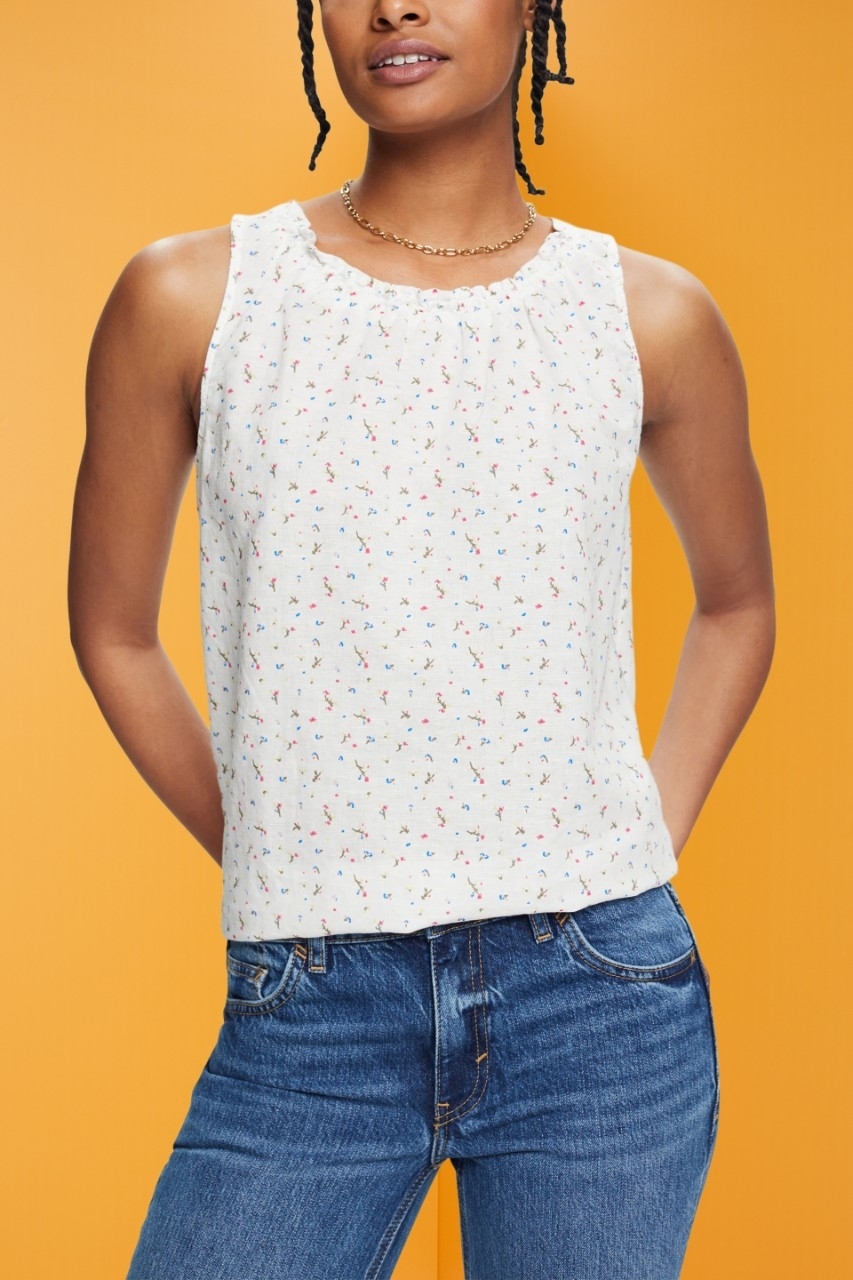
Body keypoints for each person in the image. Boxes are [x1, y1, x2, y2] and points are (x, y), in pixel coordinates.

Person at [68, 1, 775, 1276]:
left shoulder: (646, 314)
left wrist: (636, 837)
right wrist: (278, 842)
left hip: (599, 1000)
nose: (393, 4)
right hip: (312, 1009)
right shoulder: (196, 297)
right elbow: (113, 632)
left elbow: (737, 602)